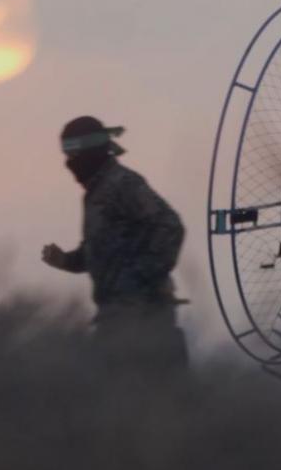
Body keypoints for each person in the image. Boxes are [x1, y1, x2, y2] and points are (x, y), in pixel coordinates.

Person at [41, 116, 188, 377]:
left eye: (75, 151)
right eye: (67, 152)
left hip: (145, 319)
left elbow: (170, 226)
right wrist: (65, 260)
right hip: (114, 318)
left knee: (159, 403)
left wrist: (140, 279)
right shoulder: (97, 193)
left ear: (93, 150)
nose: (69, 162)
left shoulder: (122, 183)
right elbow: (100, 251)